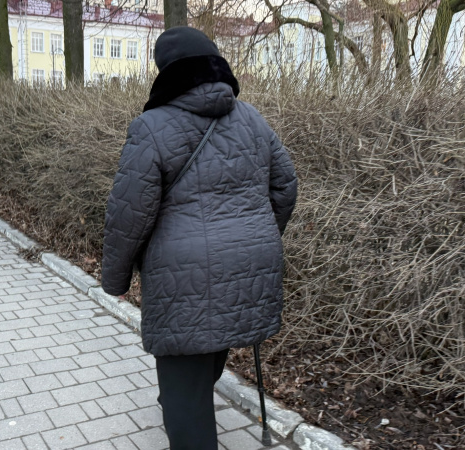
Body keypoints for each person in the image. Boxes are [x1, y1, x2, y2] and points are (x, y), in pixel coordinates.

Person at [101, 26, 298, 449]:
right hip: (247, 263)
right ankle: (180, 403)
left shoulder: (151, 127)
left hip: (182, 275)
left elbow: (127, 215)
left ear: (165, 71)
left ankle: (184, 413)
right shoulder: (252, 118)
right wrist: (255, 237)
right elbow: (285, 187)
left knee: (185, 377)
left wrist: (115, 279)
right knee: (210, 344)